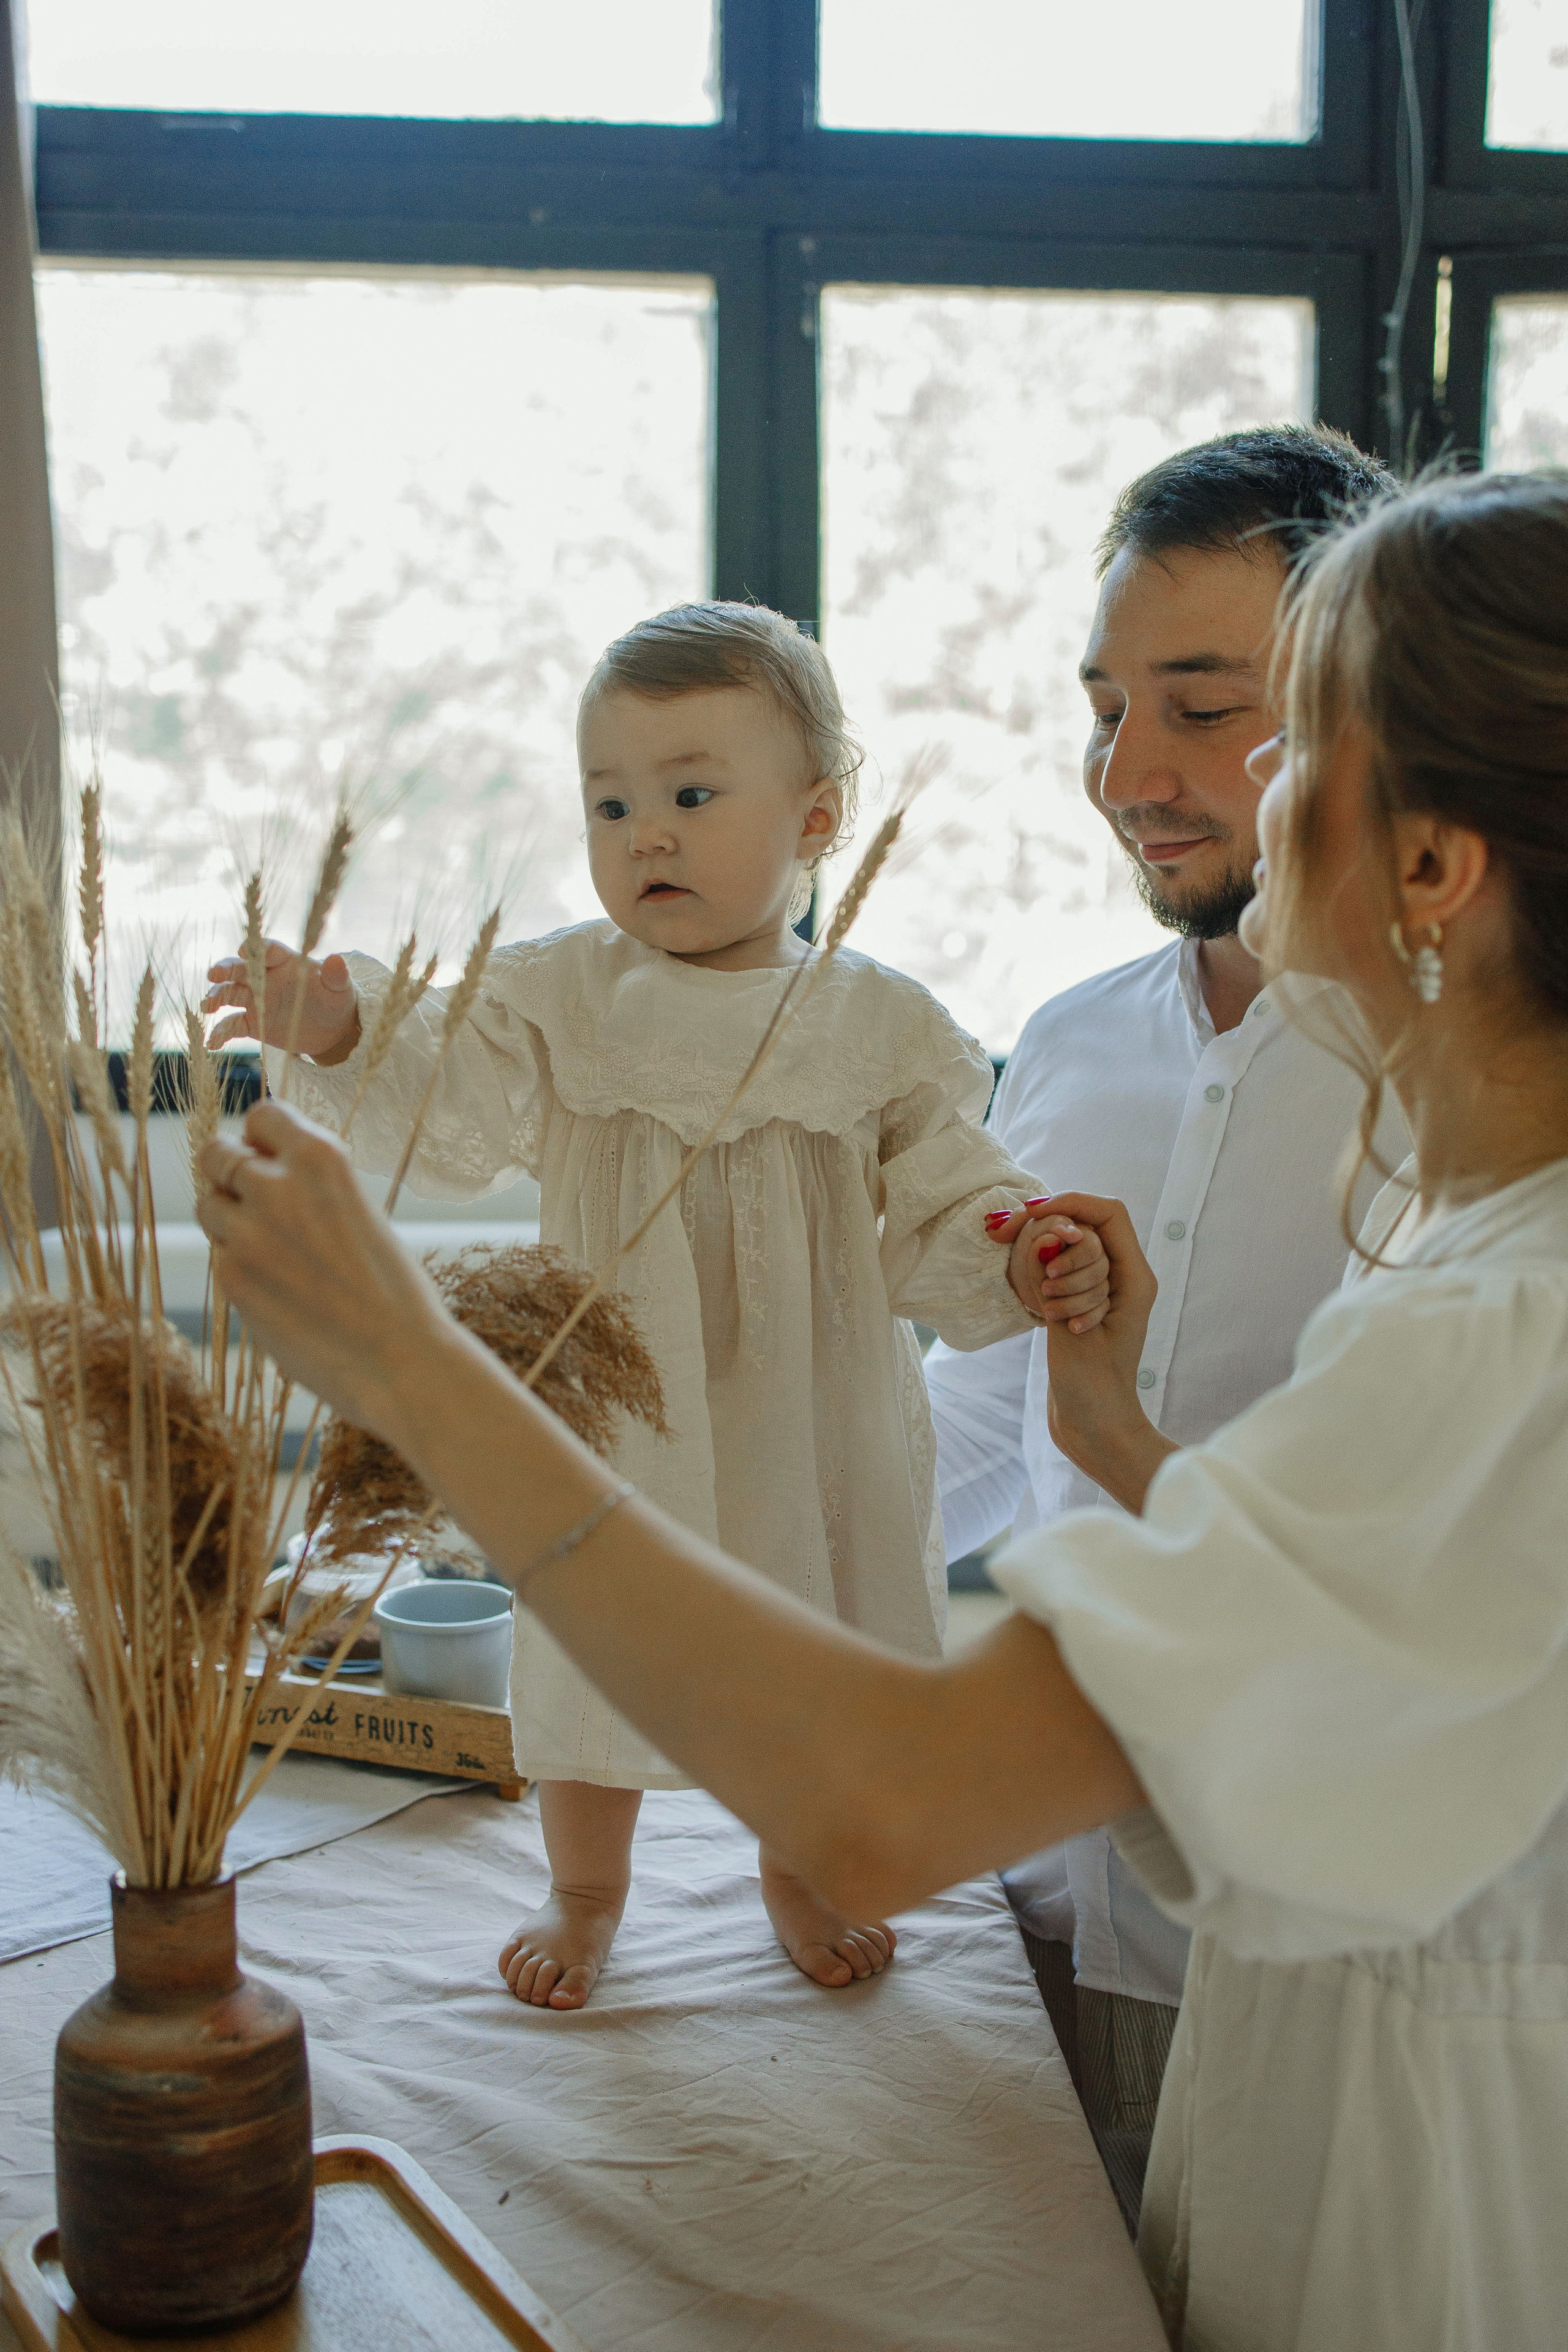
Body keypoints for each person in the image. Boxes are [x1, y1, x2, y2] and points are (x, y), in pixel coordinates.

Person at [204, 471, 1568, 2350]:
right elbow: (1361, 1657)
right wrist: (1107, 1435)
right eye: (1112, 707)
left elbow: (882, 1807)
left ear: (1432, 868)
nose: (1179, 784)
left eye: (1282, 737)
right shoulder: (1468, 1259)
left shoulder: (1503, 1327)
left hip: (1427, 2236)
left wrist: (418, 1372)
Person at [203, 601, 1109, 2011]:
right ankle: (583, 1886)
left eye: (691, 793)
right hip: (622, 1396)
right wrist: (329, 1023)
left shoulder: (876, 1021)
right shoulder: (568, 989)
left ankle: (802, 1865)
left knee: (819, 1638)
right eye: (610, 801)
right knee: (590, 1622)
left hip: (812, 1411)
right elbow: (448, 1088)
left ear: (814, 822)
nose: (647, 836)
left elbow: (951, 1189)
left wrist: (1023, 1254)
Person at [924, 424, 1403, 2220]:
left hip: (1332, 1968)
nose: (1129, 772)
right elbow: (977, 1436)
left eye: (1201, 707)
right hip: (1054, 1915)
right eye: (1104, 706)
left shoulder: (1478, 1109)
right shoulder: (1057, 1045)